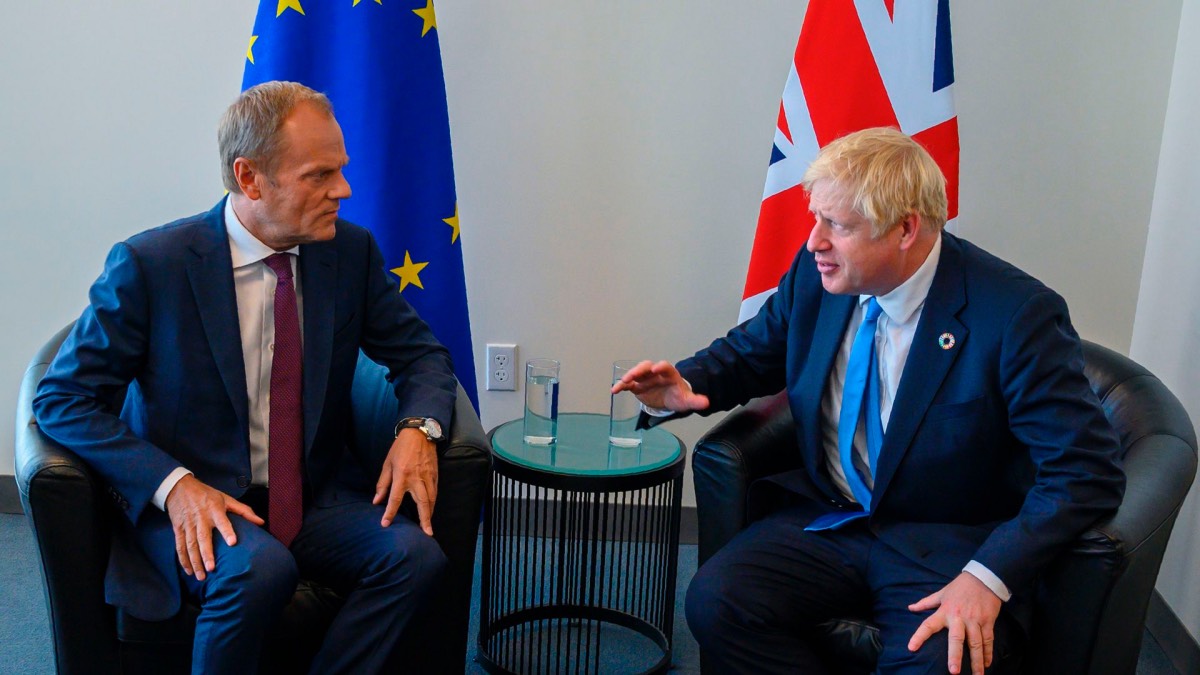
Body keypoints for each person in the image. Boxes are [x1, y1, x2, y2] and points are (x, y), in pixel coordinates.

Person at [613, 127, 1125, 674]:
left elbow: (1083, 470)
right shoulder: (819, 276)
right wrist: (684, 386)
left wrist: (986, 578)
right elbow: (755, 351)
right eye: (816, 219)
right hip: (831, 517)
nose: (814, 241)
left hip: (945, 541)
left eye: (836, 225)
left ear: (906, 228)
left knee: (936, 662)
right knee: (716, 602)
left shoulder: (1015, 315)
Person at [33, 81, 458, 674]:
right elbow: (63, 397)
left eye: (341, 169)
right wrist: (173, 485)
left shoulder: (349, 254)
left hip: (313, 494)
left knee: (416, 559)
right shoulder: (152, 266)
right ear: (250, 178)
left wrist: (418, 428)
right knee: (261, 569)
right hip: (196, 494)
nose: (344, 190)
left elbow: (422, 357)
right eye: (319, 175)